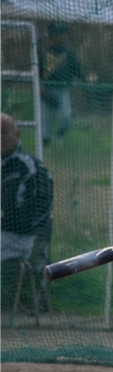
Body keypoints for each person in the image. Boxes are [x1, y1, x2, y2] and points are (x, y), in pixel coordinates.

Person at [1, 113, 53, 310]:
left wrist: (12, 220)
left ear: (17, 135)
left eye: (4, 132)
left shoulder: (28, 166)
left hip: (19, 237)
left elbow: (42, 208)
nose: (0, 137)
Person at [39, 22, 83, 145]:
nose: (62, 37)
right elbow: (38, 73)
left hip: (63, 89)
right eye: (59, 34)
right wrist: (40, 86)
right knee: (45, 119)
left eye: (63, 34)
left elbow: (78, 70)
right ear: (52, 36)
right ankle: (44, 143)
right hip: (47, 89)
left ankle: (61, 134)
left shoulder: (69, 53)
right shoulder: (44, 53)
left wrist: (81, 80)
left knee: (65, 117)